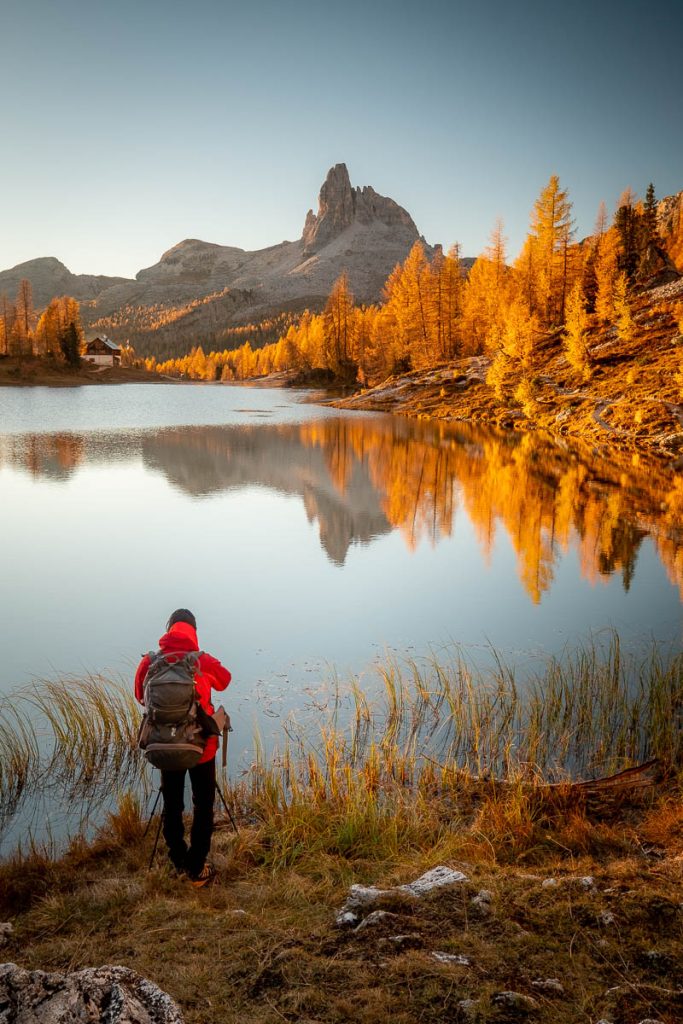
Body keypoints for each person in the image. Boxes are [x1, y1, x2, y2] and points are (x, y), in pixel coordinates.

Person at [135, 609, 231, 887]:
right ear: (194, 631)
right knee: (203, 806)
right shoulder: (201, 660)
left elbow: (140, 695)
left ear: (168, 630)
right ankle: (196, 868)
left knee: (173, 804)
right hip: (202, 748)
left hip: (164, 745)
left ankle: (178, 860)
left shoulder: (149, 661)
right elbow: (225, 680)